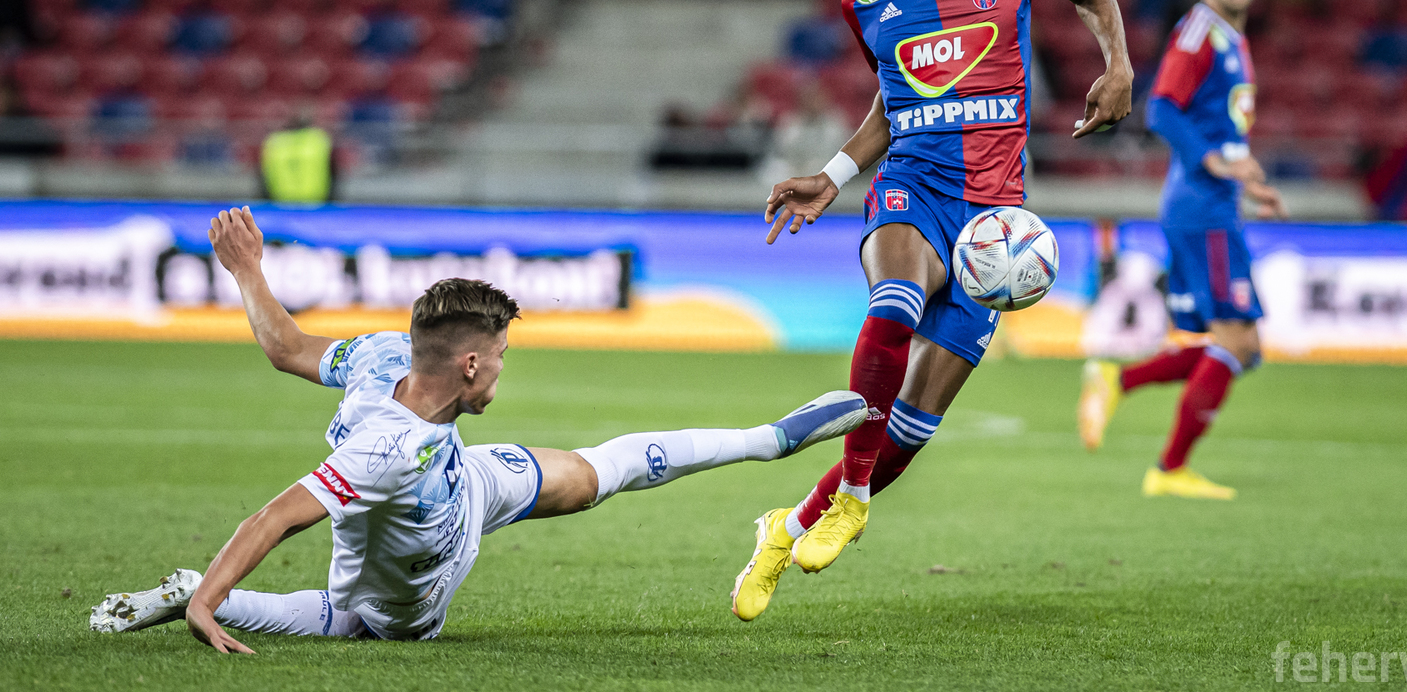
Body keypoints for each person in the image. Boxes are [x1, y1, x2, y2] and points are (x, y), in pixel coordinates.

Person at [91, 207, 868, 651]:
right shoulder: (384, 449)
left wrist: (247, 270)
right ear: (469, 365)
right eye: (499, 357)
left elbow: (287, 348)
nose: (501, 370)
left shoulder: (383, 355)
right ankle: (196, 595)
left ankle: (772, 438)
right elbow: (275, 517)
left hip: (463, 485)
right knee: (361, 624)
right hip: (405, 576)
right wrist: (211, 598)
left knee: (597, 474)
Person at [732, 0, 1133, 621]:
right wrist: (834, 174)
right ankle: (851, 497)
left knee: (909, 432)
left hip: (994, 223)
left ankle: (787, 527)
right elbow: (895, 101)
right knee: (893, 308)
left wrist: (1116, 65)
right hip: (912, 189)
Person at [1076, 0, 1287, 501]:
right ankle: (1169, 469)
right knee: (1235, 341)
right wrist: (1216, 163)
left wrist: (1248, 181)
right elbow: (1163, 109)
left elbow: (1220, 127)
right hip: (1202, 210)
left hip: (1212, 206)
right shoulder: (1200, 33)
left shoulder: (1231, 37)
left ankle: (1118, 378)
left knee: (1240, 345)